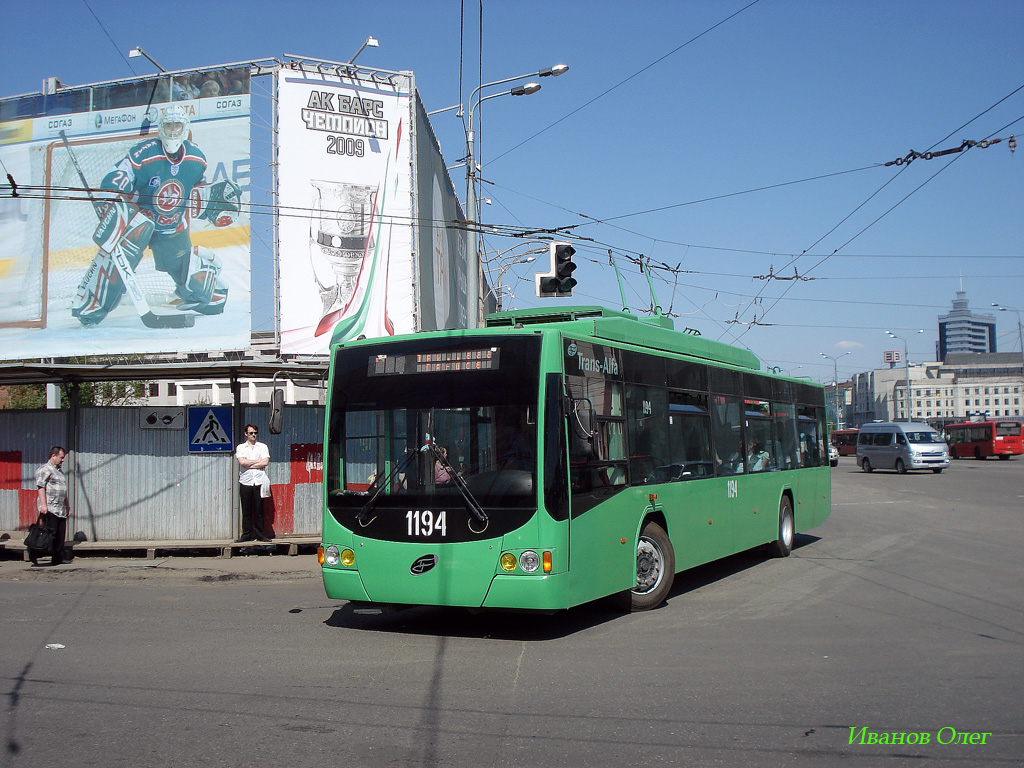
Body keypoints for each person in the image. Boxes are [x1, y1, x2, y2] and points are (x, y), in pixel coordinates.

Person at [71, 104, 243, 326]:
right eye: (168, 126)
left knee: (195, 285)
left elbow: (198, 192)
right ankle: (92, 305)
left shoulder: (197, 159)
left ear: (185, 128)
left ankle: (211, 293)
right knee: (118, 264)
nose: (172, 131)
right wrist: (112, 194)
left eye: (177, 126)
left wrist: (213, 203)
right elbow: (118, 175)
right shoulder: (144, 153)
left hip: (171, 226)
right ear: (161, 128)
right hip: (139, 223)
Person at [33, 446, 69, 566]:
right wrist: (43, 505)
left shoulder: (59, 471)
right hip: (50, 507)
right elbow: (41, 487)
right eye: (61, 457)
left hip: (61, 508)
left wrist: (67, 505)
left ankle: (57, 558)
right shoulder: (45, 469)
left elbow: (63, 490)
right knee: (49, 534)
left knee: (60, 534)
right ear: (53, 456)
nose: (62, 460)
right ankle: (34, 553)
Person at [235, 424, 271, 542]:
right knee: (246, 510)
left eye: (255, 433)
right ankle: (246, 535)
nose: (253, 435)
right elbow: (242, 462)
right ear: (246, 434)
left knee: (259, 510)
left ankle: (260, 534)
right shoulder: (241, 447)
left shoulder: (262, 446)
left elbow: (265, 462)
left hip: (259, 482)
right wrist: (257, 462)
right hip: (246, 482)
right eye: (251, 433)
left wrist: (249, 463)